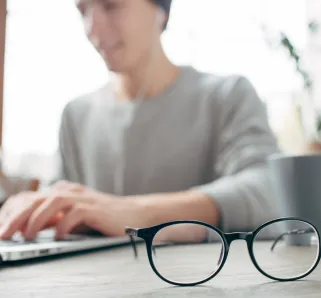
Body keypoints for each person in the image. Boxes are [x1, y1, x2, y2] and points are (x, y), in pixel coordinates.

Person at [0, 0, 280, 242]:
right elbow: (65, 203)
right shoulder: (75, 116)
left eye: (111, 6)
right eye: (83, 10)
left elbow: (268, 188)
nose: (91, 29)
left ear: (160, 10)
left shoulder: (226, 96)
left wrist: (136, 212)